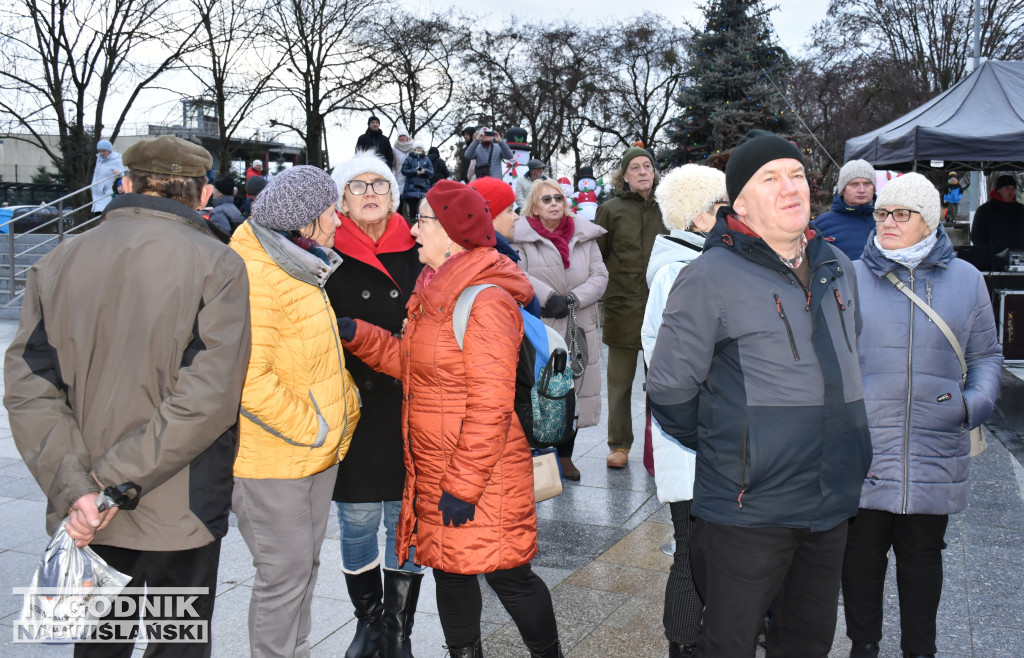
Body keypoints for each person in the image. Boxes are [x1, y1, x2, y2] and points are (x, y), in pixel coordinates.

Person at [4, 134, 252, 657]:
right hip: (177, 510)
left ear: (125, 182)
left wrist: (80, 489)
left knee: (99, 647)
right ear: (203, 195)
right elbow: (208, 397)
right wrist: (108, 485)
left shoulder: (60, 258)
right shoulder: (219, 264)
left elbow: (30, 387)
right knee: (176, 646)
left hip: (89, 512)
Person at [646, 129, 872, 657]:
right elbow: (670, 389)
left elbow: (851, 357)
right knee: (729, 643)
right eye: (771, 178)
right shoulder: (709, 275)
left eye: (796, 175)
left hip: (831, 499)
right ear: (739, 202)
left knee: (807, 643)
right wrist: (737, 447)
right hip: (748, 510)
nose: (790, 187)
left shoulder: (839, 268)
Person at [338, 181, 564, 658]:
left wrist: (462, 486)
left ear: (450, 232)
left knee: (508, 574)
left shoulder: (484, 302)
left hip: (481, 472)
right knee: (449, 569)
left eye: (421, 220)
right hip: (439, 464)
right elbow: (417, 367)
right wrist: (358, 334)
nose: (414, 229)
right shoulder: (434, 290)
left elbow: (491, 404)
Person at [842, 173, 1003, 658]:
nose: (887, 223)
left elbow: (987, 357)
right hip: (868, 445)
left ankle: (921, 650)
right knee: (861, 558)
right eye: (881, 213)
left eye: (901, 214)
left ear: (930, 220)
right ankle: (863, 645)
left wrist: (970, 406)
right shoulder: (849, 274)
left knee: (922, 559)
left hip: (936, 444)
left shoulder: (967, 281)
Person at [230, 165, 362, 658]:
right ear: (303, 219)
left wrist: (342, 411)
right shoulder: (253, 271)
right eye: (332, 211)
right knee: (282, 574)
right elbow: (247, 378)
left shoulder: (295, 260)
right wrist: (315, 428)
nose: (339, 220)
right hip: (274, 458)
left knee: (302, 568)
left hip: (312, 452)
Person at [327, 151, 425, 658]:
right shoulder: (324, 251)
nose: (369, 193)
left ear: (393, 195)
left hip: (412, 403)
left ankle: (398, 632)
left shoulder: (420, 247)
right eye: (358, 185)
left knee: (406, 519)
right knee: (360, 519)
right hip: (353, 405)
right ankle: (368, 624)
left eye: (380, 185)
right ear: (342, 197)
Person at [641, 164, 728, 658]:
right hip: (693, 430)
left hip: (706, 431)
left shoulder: (698, 261)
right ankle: (685, 641)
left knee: (704, 545)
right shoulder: (679, 270)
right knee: (693, 546)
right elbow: (671, 359)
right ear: (696, 218)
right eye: (720, 209)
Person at [512, 178, 608, 481]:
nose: (554, 203)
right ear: (534, 207)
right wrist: (547, 297)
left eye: (558, 198)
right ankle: (533, 451)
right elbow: (517, 272)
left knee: (574, 392)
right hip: (541, 325)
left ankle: (565, 457)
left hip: (578, 322)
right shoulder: (521, 237)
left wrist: (571, 299)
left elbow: (600, 275)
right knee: (540, 391)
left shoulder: (584, 235)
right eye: (546, 199)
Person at [594, 147, 667, 469]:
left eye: (647, 166)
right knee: (620, 382)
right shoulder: (610, 210)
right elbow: (598, 257)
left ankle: (660, 444)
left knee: (662, 382)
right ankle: (619, 445)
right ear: (624, 176)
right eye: (634, 168)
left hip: (662, 309)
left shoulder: (668, 208)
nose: (642, 172)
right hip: (622, 306)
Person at [470, 175, 543, 319]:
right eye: (510, 210)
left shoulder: (496, 257)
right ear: (489, 217)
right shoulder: (492, 265)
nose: (516, 217)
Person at [812, 159, 876, 260]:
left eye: (867, 183)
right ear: (843, 190)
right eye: (854, 184)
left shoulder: (888, 220)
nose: (862, 190)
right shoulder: (821, 225)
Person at [970, 174, 1024, 259]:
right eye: (1007, 188)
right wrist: (990, 251)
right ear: (999, 190)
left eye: (1013, 188)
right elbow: (976, 236)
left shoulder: (1021, 210)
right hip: (992, 260)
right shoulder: (985, 210)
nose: (1011, 191)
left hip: (1019, 258)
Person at [401, 141, 434, 219]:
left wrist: (424, 171)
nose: (418, 149)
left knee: (422, 212)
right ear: (414, 148)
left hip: (423, 190)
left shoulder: (427, 160)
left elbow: (432, 173)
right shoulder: (409, 159)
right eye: (417, 147)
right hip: (411, 190)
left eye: (420, 148)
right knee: (412, 211)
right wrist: (415, 171)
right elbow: (404, 171)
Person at [90, 139, 123, 213]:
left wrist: (118, 173)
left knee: (104, 211)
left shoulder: (116, 160)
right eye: (100, 151)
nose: (101, 153)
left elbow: (122, 174)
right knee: (98, 212)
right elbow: (96, 173)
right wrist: (93, 185)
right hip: (97, 190)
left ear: (109, 151)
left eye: (104, 151)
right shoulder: (99, 160)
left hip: (108, 190)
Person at [392, 129, 415, 211]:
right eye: (400, 136)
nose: (402, 138)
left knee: (412, 200)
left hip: (411, 176)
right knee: (399, 200)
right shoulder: (394, 149)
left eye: (404, 136)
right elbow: (393, 163)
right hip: (399, 175)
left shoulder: (414, 148)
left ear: (407, 137)